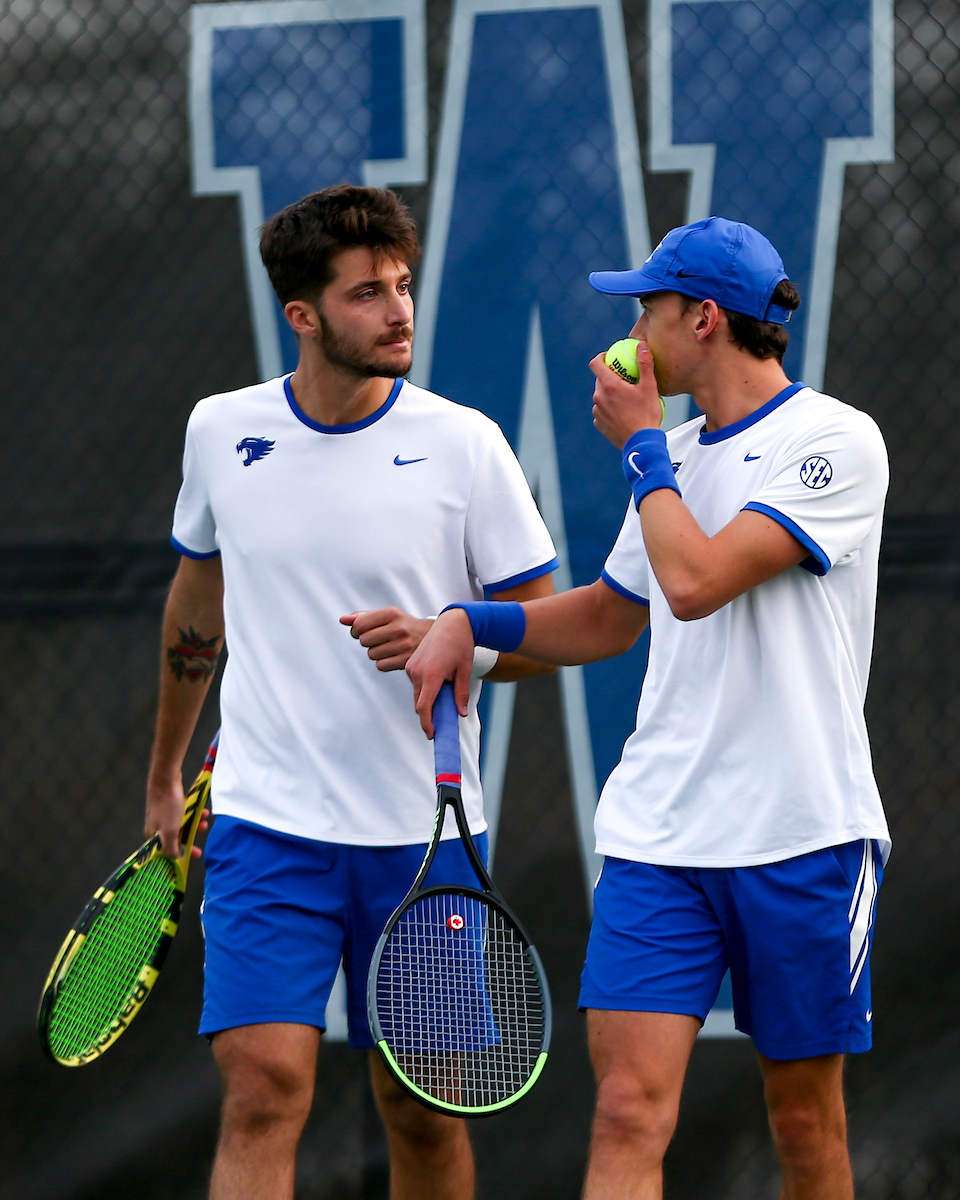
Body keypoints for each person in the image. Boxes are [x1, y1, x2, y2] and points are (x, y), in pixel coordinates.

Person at [407, 216, 890, 1200]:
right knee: (628, 1108)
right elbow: (605, 618)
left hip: (803, 835)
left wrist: (639, 452)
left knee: (805, 1122)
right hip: (659, 838)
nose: (629, 332)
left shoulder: (835, 442)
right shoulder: (671, 455)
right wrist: (470, 621)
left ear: (703, 319)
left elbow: (697, 581)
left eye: (646, 309)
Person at [144, 184, 557, 1200]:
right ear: (303, 314)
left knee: (423, 1111)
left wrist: (454, 642)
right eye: (367, 293)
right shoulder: (220, 431)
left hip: (423, 833)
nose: (399, 310)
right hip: (266, 824)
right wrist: (164, 775)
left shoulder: (465, 443)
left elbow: (546, 628)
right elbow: (197, 608)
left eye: (403, 286)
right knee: (261, 1089)